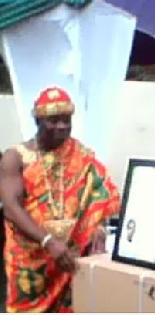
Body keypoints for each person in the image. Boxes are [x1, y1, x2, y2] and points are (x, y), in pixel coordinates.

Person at [0, 87, 121, 313]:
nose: (62, 126)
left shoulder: (81, 155)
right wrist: (48, 241)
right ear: (38, 120)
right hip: (30, 259)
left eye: (67, 120)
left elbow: (101, 194)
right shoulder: (15, 157)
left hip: (69, 255)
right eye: (53, 121)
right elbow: (11, 208)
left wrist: (98, 229)